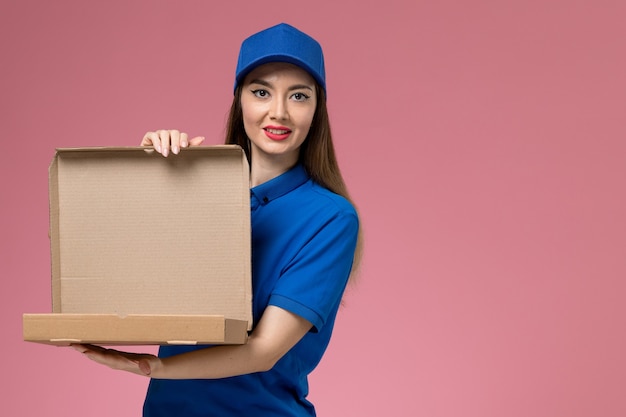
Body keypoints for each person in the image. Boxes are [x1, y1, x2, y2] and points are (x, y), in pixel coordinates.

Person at [73, 22, 363, 416]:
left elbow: (263, 351)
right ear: (239, 100)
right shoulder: (199, 195)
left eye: (299, 95)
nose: (278, 112)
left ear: (316, 110)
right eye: (261, 91)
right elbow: (127, 278)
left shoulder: (331, 218)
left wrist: (155, 367)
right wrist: (151, 178)